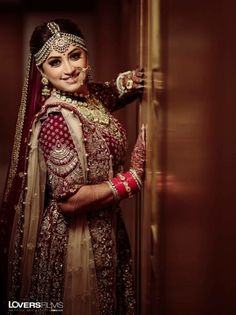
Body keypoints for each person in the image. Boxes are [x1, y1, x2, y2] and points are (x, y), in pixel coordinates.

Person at [0, 18, 145, 315]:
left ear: (86, 54)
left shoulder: (86, 95)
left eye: (75, 56)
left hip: (107, 228)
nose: (69, 69)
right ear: (42, 72)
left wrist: (128, 81)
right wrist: (133, 178)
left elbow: (107, 94)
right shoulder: (55, 120)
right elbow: (70, 201)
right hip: (75, 241)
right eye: (55, 62)